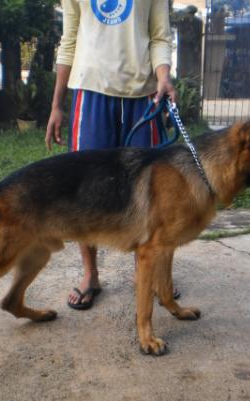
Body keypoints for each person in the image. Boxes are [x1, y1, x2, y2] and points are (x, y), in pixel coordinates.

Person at [45, 0, 177, 310]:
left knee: (151, 191)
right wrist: (56, 105)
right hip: (90, 92)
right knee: (84, 191)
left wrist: (163, 77)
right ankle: (90, 275)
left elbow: (160, 36)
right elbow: (69, 40)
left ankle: (143, 272)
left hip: (143, 94)